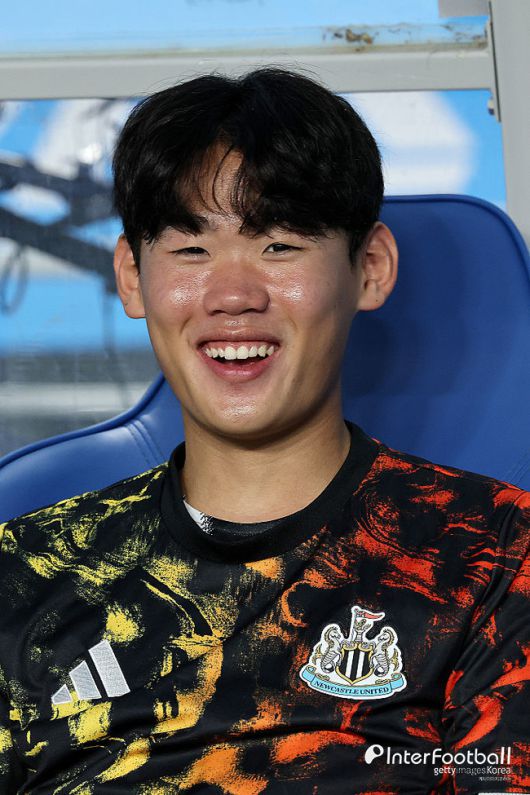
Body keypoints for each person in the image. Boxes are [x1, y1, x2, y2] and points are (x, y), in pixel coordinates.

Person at [0, 67, 529, 794]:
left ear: (370, 267)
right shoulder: (24, 571)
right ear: (131, 276)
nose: (233, 296)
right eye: (191, 249)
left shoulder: (495, 557)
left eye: (279, 245)